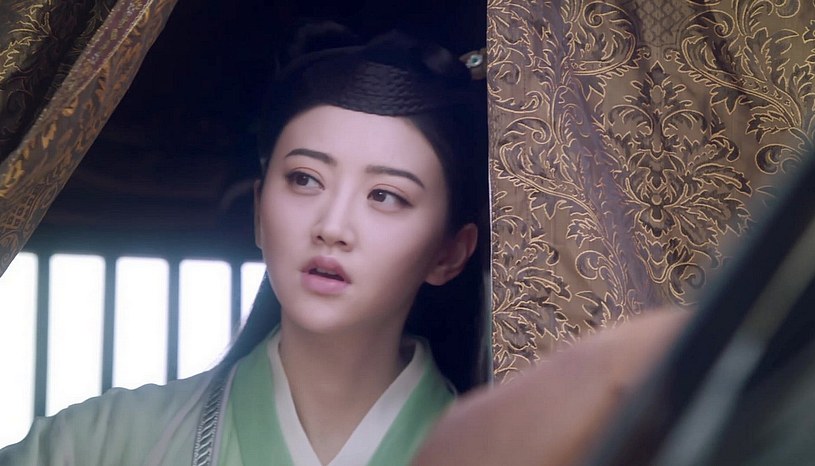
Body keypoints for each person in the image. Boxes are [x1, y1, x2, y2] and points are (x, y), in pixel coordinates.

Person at [0, 27, 489, 466]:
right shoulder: (94, 445)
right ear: (258, 211)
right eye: (305, 179)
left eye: (384, 196)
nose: (332, 226)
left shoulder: (502, 454)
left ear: (449, 253)